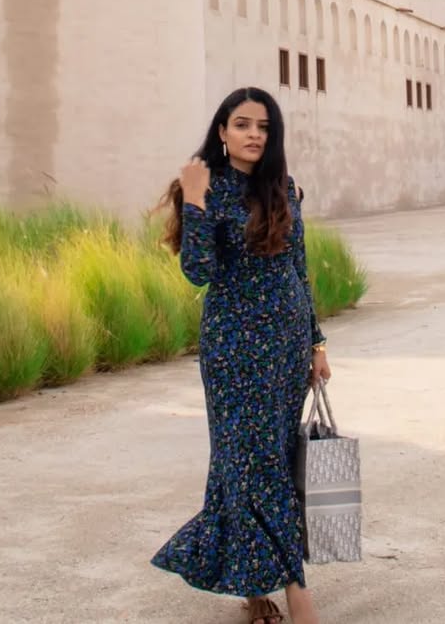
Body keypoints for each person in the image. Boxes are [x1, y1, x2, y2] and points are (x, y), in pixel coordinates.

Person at [151, 86, 330, 624]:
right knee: (250, 464)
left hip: (285, 346)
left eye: (264, 127)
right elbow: (198, 271)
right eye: (243, 124)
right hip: (233, 351)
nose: (255, 134)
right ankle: (298, 592)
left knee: (267, 461)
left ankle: (256, 589)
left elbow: (297, 270)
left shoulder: (285, 189)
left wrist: (317, 343)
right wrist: (198, 199)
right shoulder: (206, 186)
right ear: (222, 132)